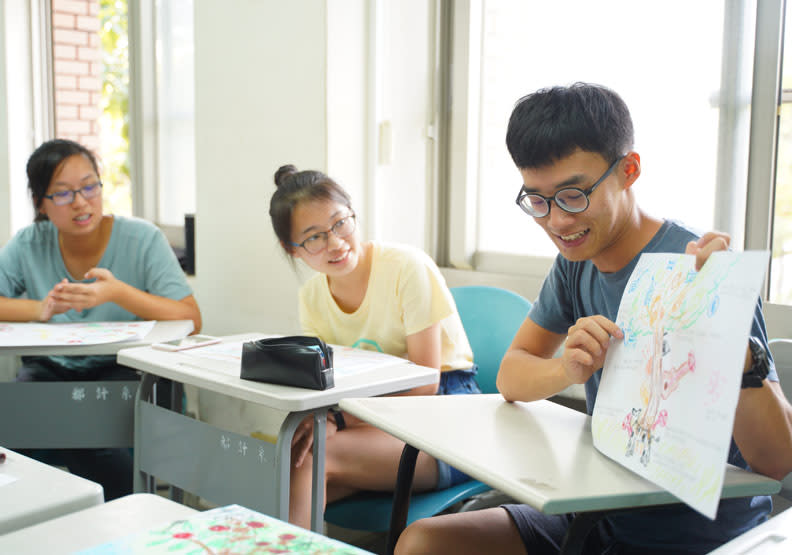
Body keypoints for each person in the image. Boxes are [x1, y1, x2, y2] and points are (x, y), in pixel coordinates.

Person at [394, 83, 792, 554]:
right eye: (537, 200)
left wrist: (729, 340)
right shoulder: (575, 263)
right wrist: (567, 368)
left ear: (629, 170)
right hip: (594, 515)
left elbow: (775, 461)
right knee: (425, 543)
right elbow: (512, 376)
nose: (557, 221)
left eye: (574, 194)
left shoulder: (698, 270)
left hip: (693, 536)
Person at [269, 164, 480, 529]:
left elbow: (425, 384)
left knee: (314, 459)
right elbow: (332, 383)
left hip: (447, 415)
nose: (335, 242)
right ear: (294, 249)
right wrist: (324, 417)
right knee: (288, 465)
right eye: (314, 237)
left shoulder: (405, 266)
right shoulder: (313, 297)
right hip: (373, 416)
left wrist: (336, 419)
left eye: (340, 223)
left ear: (354, 214)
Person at [0, 138, 202, 500]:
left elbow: (190, 317)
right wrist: (39, 309)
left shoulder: (141, 238)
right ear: (40, 203)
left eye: (90, 186)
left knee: (88, 437)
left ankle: (130, 522)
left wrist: (116, 292)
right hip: (49, 369)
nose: (81, 201)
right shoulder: (29, 242)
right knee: (14, 420)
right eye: (62, 193)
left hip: (123, 368)